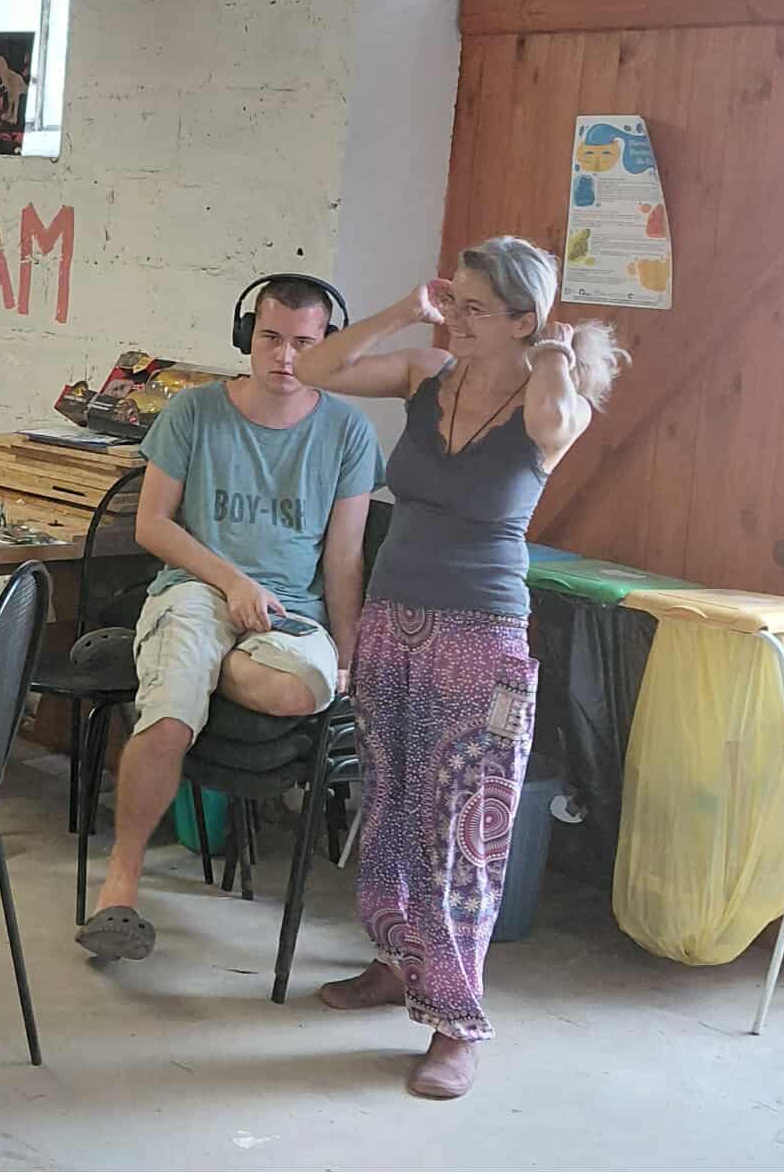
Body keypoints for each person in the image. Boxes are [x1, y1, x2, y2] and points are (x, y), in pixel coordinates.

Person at [295, 235, 627, 1101]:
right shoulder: (426, 373)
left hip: (482, 633)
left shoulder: (553, 400)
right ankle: (394, 959)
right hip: (393, 617)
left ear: (524, 318)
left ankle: (455, 1021)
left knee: (465, 830)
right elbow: (318, 366)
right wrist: (406, 311)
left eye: (476, 307)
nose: (458, 319)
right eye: (455, 300)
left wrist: (550, 348)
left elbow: (551, 422)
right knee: (390, 803)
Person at [75, 276, 381, 961]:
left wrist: (349, 656)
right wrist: (231, 580)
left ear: (329, 345)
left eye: (304, 342)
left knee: (301, 689)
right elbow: (152, 525)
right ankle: (119, 889)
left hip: (288, 614)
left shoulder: (349, 433)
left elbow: (344, 557)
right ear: (248, 336)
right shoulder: (195, 412)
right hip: (196, 589)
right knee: (170, 716)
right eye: (270, 337)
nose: (285, 356)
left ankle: (192, 664)